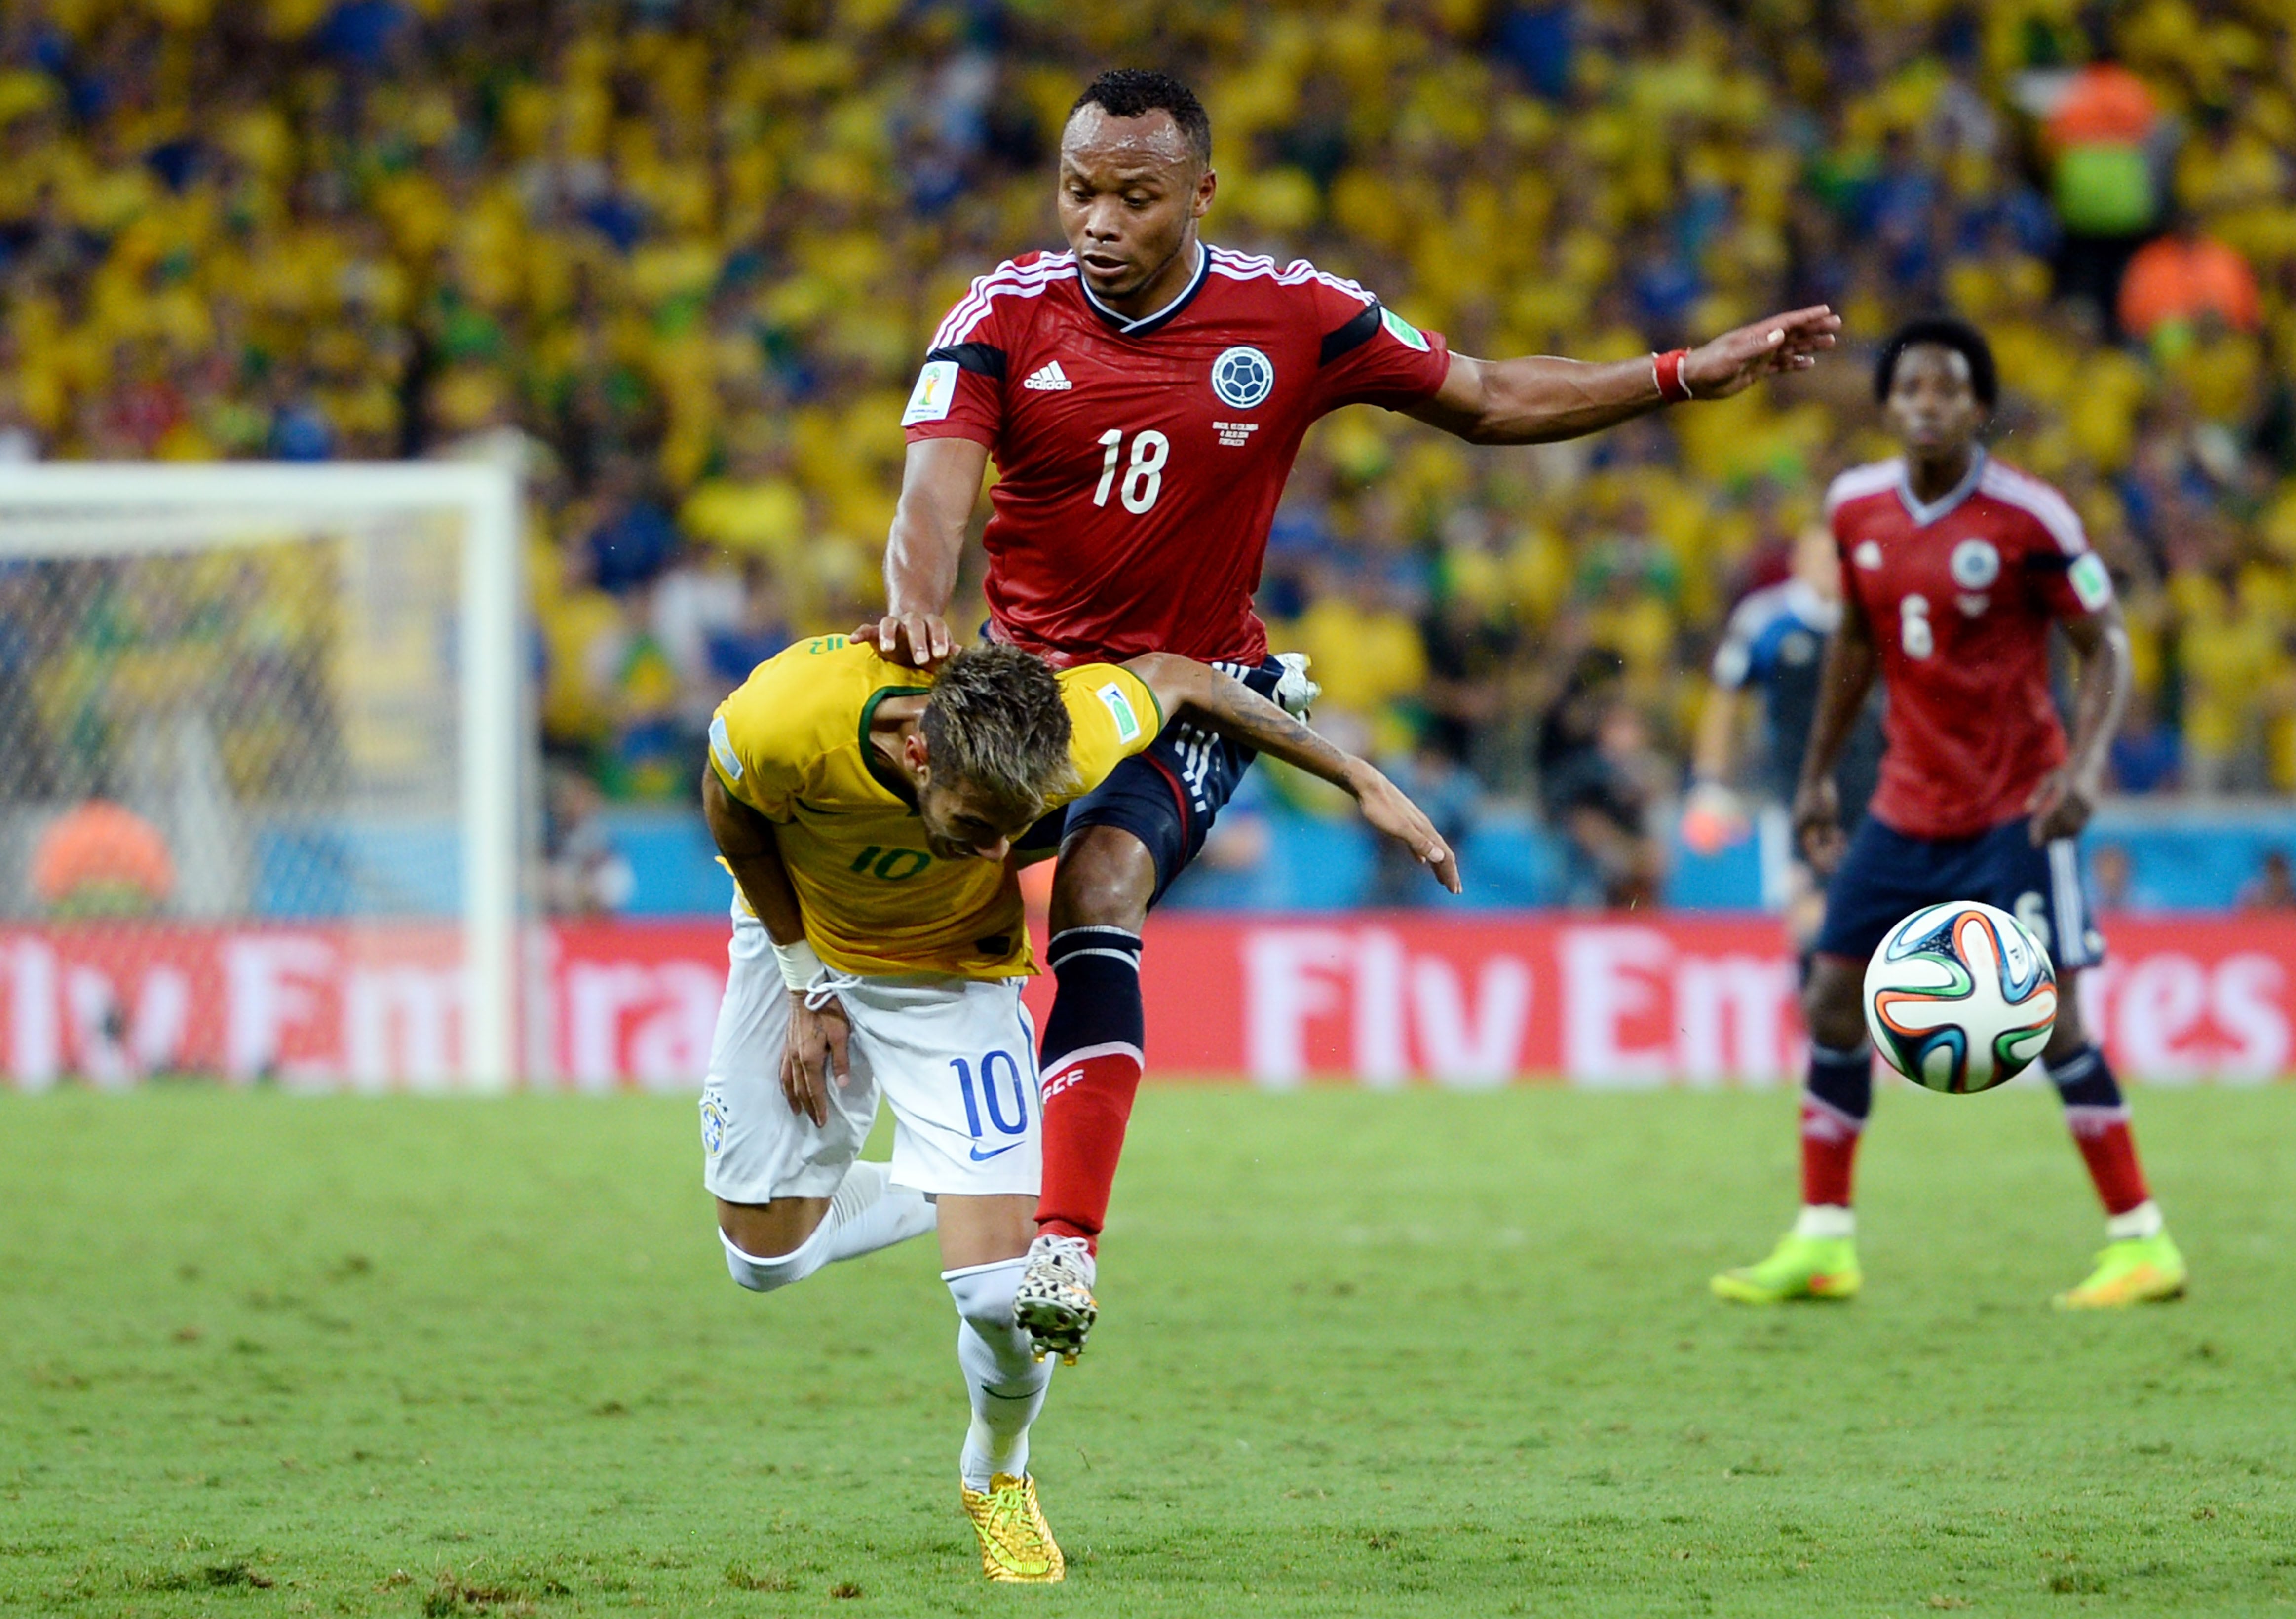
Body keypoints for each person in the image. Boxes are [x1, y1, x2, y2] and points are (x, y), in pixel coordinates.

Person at [862, 67, 1841, 1358]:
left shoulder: (1292, 314)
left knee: (1101, 887)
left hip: (1196, 693)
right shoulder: (1003, 312)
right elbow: (930, 501)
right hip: (1028, 694)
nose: (1097, 220)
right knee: (914, 899)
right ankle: (851, 1102)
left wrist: (1678, 374)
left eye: (1134, 197)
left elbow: (1487, 397)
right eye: (1078, 189)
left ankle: (1067, 1243)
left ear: (1200, 195)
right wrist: (917, 610)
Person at [699, 633, 1455, 1584]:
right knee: (763, 1260)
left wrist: (1358, 778)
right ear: (920, 752)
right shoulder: (789, 714)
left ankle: (996, 1474)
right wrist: (802, 979)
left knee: (1003, 1299)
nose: (995, 852)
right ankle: (960, 1189)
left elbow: (1181, 677)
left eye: (1013, 831)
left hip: (953, 979)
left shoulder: (1074, 727)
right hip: (800, 943)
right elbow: (730, 808)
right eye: (978, 824)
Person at [1712, 317, 2187, 1311]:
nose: (1928, 404)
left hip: (2020, 805)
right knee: (1833, 997)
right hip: (1905, 801)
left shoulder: (2030, 518)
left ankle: (2141, 1238)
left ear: (1979, 408)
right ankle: (1823, 1240)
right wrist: (1815, 776)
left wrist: (2085, 768)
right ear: (1888, 407)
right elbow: (1856, 641)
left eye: (1949, 388)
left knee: (2054, 1019)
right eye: (1911, 388)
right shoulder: (1855, 507)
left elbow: (2106, 643)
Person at [1684, 522, 1885, 959]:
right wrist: (1710, 782)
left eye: (1839, 558)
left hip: (1871, 788)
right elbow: (1725, 701)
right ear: (1797, 563)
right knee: (1808, 919)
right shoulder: (1766, 619)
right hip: (1794, 792)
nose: (1831, 569)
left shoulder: (1875, 615)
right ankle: (1814, 999)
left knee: (1874, 915)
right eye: (1821, 558)